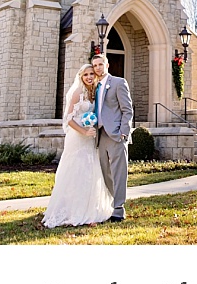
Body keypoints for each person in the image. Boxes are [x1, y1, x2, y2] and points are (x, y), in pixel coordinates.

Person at [42, 64, 115, 227]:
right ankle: (71, 210)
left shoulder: (94, 93)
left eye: (91, 74)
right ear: (81, 77)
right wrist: (83, 131)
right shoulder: (77, 92)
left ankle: (90, 208)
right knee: (76, 170)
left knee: (91, 170)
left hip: (90, 137)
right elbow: (68, 119)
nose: (89, 77)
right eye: (85, 74)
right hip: (77, 137)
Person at [91, 53, 134, 223]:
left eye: (100, 64)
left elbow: (127, 110)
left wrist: (124, 132)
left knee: (118, 173)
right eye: (95, 66)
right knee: (105, 173)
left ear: (107, 65)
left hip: (116, 135)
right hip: (100, 135)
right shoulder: (93, 87)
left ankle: (118, 209)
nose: (98, 68)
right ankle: (111, 203)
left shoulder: (118, 82)